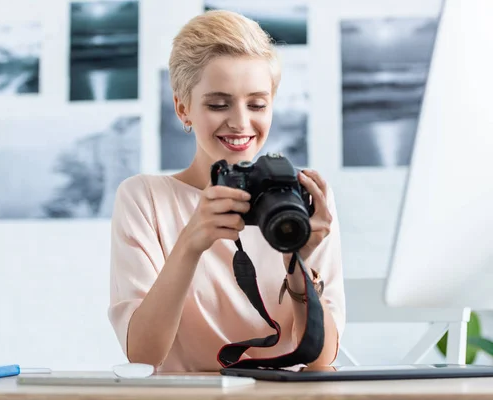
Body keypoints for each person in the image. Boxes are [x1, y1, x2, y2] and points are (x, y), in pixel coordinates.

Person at [108, 9, 346, 373]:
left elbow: (320, 361)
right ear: (182, 108)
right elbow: (142, 355)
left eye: (257, 104)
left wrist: (298, 264)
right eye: (218, 104)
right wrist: (191, 241)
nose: (239, 122)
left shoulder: (303, 202)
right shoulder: (144, 199)